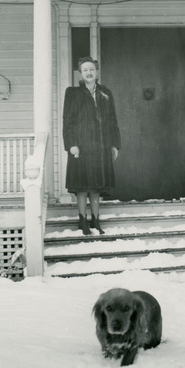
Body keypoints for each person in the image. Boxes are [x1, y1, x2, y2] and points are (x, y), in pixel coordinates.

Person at [62, 57, 121, 235]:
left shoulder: (105, 93)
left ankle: (95, 219)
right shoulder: (73, 93)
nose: (89, 72)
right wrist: (71, 144)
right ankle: (82, 220)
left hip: (101, 145)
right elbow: (68, 121)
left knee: (96, 185)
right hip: (81, 145)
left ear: (97, 72)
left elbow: (112, 120)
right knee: (82, 185)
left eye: (92, 69)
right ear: (80, 73)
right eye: (85, 69)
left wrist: (114, 144)